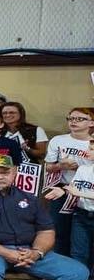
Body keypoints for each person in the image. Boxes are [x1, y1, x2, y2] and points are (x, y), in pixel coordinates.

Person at [44, 107, 93, 257]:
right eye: (71, 118)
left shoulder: (92, 142)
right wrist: (60, 166)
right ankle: (62, 265)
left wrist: (81, 167)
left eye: (79, 119)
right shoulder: (58, 140)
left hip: (87, 192)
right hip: (63, 188)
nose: (73, 122)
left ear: (91, 122)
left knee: (82, 236)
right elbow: (48, 167)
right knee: (60, 230)